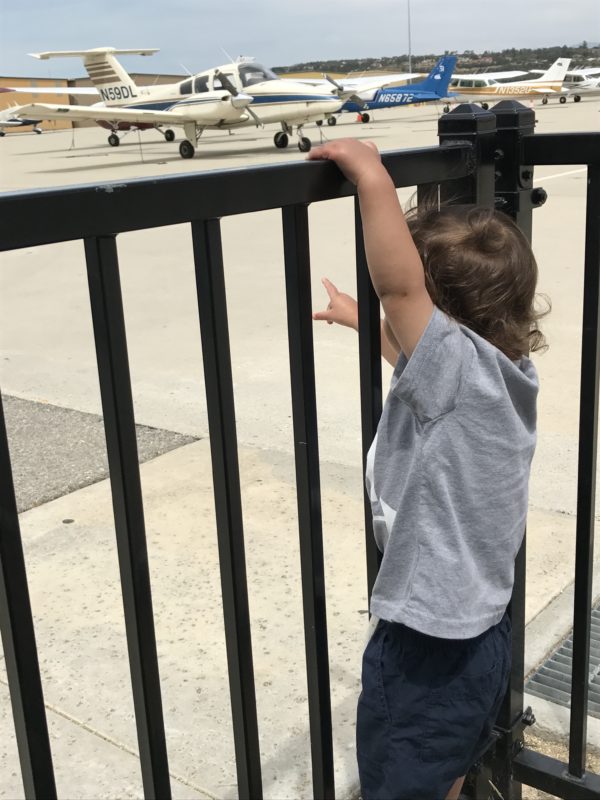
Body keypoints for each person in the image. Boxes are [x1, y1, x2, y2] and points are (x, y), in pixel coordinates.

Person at [307, 139, 547, 800]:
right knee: (448, 759)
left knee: (401, 773)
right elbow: (415, 354)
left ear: (440, 316)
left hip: (427, 639)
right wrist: (362, 321)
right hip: (484, 628)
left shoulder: (455, 368)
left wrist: (372, 177)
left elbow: (399, 285)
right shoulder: (506, 373)